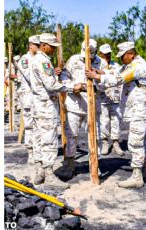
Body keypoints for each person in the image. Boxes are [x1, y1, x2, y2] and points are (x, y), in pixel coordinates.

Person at [86, 41, 146, 189]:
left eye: (123, 56)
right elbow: (117, 73)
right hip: (139, 110)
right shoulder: (130, 65)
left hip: (139, 110)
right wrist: (102, 73)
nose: (121, 59)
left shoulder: (138, 66)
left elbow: (118, 79)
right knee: (145, 140)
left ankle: (137, 176)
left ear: (131, 53)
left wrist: (97, 77)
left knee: (135, 142)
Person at [59, 39, 107, 179]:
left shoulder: (101, 63)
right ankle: (69, 164)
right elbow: (64, 76)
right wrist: (74, 86)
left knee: (95, 136)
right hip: (75, 105)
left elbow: (106, 83)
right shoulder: (74, 60)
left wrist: (94, 84)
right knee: (71, 135)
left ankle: (94, 164)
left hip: (93, 105)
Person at [30, 33, 71, 189]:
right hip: (46, 106)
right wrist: (72, 87)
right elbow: (52, 85)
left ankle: (40, 172)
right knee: (49, 140)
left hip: (38, 106)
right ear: (45, 46)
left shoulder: (36, 60)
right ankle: (49, 175)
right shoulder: (43, 62)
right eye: (53, 47)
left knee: (39, 139)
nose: (54, 50)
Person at [14, 35, 40, 164]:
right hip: (29, 97)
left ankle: (39, 150)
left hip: (39, 98)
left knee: (39, 125)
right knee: (29, 125)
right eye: (37, 45)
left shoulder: (40, 58)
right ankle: (31, 151)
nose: (40, 47)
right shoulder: (25, 60)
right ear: (31, 45)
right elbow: (28, 77)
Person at [98, 44, 124, 155]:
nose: (108, 56)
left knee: (116, 121)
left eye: (109, 54)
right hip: (102, 98)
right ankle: (105, 143)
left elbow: (120, 77)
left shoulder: (116, 66)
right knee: (104, 122)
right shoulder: (97, 66)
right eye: (105, 54)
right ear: (100, 54)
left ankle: (116, 143)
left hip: (115, 98)